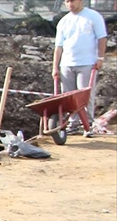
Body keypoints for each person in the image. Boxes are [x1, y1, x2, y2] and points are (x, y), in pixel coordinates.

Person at [53, 0, 107, 131]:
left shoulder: (93, 16)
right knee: (68, 96)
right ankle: (73, 123)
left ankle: (87, 124)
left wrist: (100, 58)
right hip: (67, 63)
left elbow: (102, 38)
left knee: (85, 95)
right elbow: (58, 46)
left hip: (87, 62)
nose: (70, 4)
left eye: (72, 0)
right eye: (67, 1)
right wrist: (55, 67)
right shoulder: (64, 21)